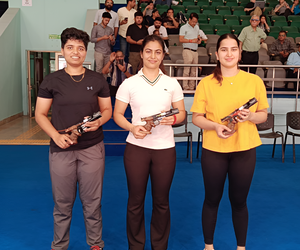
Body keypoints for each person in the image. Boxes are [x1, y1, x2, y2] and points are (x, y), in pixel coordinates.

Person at [35, 27, 112, 250]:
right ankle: (59, 246)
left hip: (92, 149)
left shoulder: (97, 79)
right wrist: (56, 137)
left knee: (92, 203)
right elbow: (40, 114)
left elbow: (106, 109)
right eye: (70, 47)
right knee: (62, 204)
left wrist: (99, 121)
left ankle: (96, 244)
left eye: (80, 48)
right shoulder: (51, 81)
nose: (75, 52)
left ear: (85, 51)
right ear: (62, 50)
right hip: (61, 150)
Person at [191, 33, 269, 250]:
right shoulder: (206, 83)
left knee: (239, 202)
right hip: (214, 149)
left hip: (244, 149)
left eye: (233, 49)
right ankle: (209, 246)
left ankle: (240, 247)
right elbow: (197, 117)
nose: (229, 53)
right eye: (224, 49)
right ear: (216, 54)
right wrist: (215, 126)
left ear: (239, 53)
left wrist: (251, 117)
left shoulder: (254, 81)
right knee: (212, 199)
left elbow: (263, 114)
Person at [113, 34, 185, 250]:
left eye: (158, 52)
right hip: (136, 149)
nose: (153, 56)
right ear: (142, 54)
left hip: (165, 149)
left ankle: (159, 246)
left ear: (163, 55)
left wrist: (171, 119)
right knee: (135, 201)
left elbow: (181, 113)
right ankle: (136, 246)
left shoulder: (172, 83)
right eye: (148, 51)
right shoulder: (129, 83)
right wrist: (132, 128)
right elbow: (118, 115)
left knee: (161, 202)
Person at [179, 12, 208, 90]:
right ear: (189, 19)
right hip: (187, 50)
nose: (194, 23)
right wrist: (191, 41)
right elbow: (181, 39)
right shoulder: (183, 28)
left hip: (195, 50)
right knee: (187, 70)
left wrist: (199, 40)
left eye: (195, 22)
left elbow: (198, 37)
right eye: (193, 21)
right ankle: (185, 87)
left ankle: (192, 87)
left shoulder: (197, 27)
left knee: (194, 70)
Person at [91, 12, 115, 78]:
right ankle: (98, 86)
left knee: (106, 70)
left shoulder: (110, 29)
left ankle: (104, 86)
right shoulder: (96, 28)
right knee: (99, 69)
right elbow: (92, 40)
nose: (107, 22)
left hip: (108, 52)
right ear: (102, 18)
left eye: (108, 21)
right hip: (99, 51)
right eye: (106, 20)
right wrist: (102, 38)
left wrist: (112, 39)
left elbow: (113, 43)